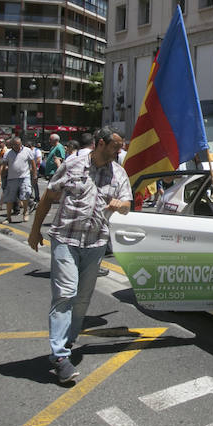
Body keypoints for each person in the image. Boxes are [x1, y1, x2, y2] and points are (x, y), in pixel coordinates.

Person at [28, 127, 131, 384]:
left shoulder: (119, 173)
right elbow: (48, 196)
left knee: (83, 298)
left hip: (95, 243)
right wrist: (35, 230)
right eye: (115, 146)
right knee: (65, 293)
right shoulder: (73, 165)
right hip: (66, 239)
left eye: (120, 147)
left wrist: (121, 205)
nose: (118, 151)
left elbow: (127, 204)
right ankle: (60, 356)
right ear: (100, 143)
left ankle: (68, 340)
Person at [0, 137, 37, 223]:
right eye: (15, 145)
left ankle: (25, 212)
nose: (17, 146)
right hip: (12, 178)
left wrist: (34, 175)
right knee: (10, 198)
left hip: (24, 177)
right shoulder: (8, 153)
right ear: (12, 145)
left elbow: (33, 163)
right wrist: (1, 177)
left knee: (26, 194)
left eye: (19, 145)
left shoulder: (27, 150)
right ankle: (8, 217)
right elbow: (3, 165)